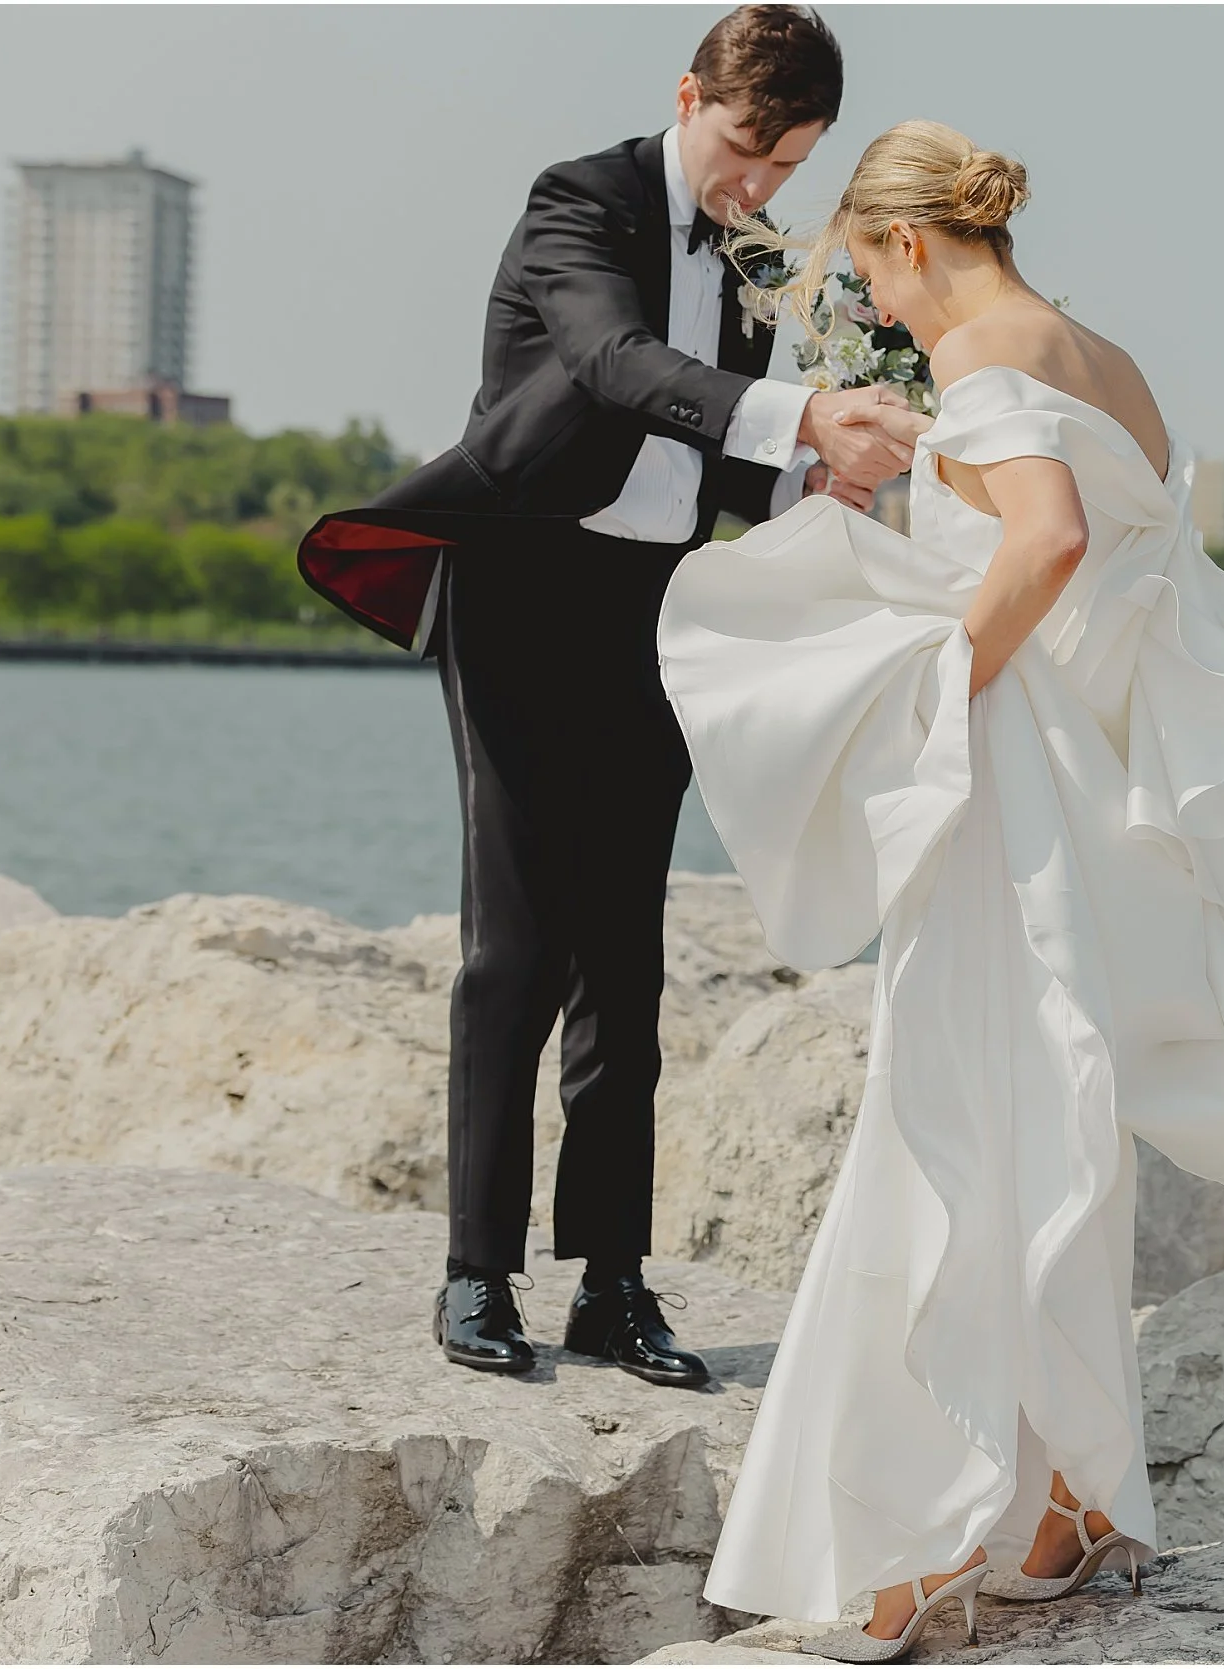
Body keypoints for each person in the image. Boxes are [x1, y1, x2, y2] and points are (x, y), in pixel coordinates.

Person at [656, 122, 1224, 1660]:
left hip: (1009, 775)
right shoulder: (1111, 361)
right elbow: (1124, 552)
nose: (887, 314)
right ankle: (1064, 1503)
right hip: (1084, 778)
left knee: (951, 1125)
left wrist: (938, 688)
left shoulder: (987, 362)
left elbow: (1050, 538)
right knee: (1051, 1123)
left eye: (872, 278)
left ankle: (910, 1537)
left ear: (902, 247)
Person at [295, 6, 933, 1386]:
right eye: (747, 150)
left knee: (625, 962)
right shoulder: (577, 201)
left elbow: (715, 458)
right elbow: (618, 370)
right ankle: (475, 1274)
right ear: (689, 95)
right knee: (515, 944)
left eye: (786, 167)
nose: (758, 188)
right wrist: (805, 418)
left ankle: (613, 1284)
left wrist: (822, 476)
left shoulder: (752, 251)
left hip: (659, 613)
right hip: (522, 591)